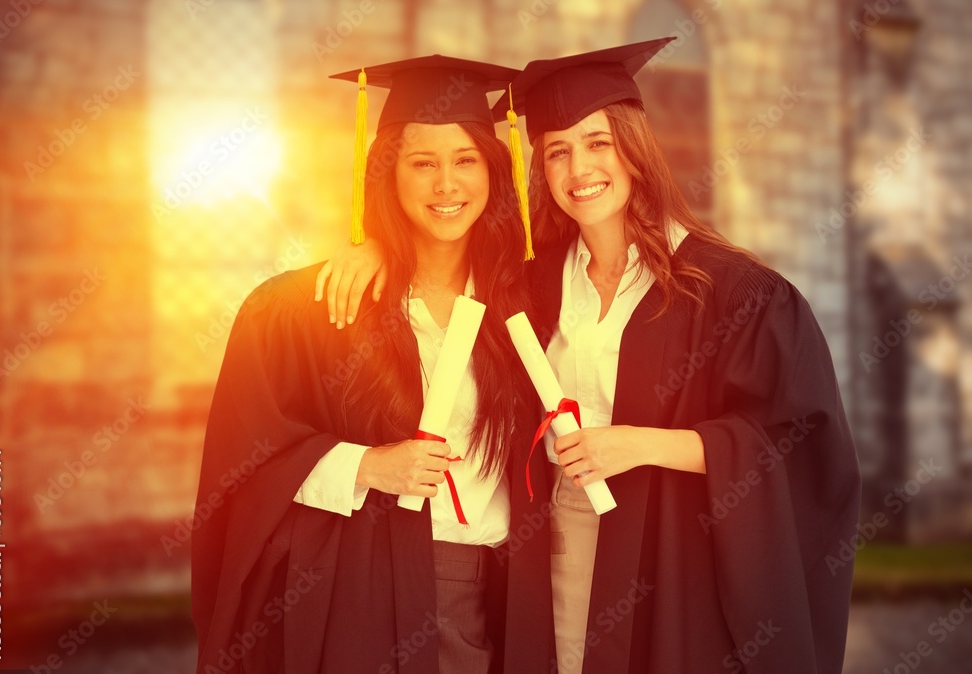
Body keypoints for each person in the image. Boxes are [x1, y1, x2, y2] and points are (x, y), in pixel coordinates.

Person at [318, 39, 862, 674]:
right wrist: (375, 249)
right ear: (539, 171)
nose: (579, 169)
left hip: (675, 565)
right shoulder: (534, 284)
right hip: (555, 559)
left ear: (635, 148)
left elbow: (799, 447)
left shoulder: (735, 293)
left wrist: (645, 445)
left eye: (598, 143)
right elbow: (442, 268)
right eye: (557, 151)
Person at [191, 55, 554, 674]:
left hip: (503, 594)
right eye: (422, 163)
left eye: (466, 160)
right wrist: (367, 465)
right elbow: (242, 469)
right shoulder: (307, 309)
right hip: (366, 595)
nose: (447, 185)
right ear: (387, 173)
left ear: (494, 172)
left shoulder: (529, 300)